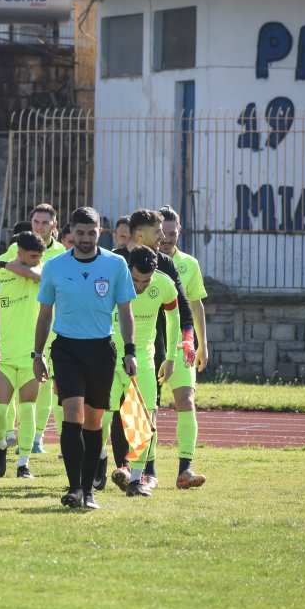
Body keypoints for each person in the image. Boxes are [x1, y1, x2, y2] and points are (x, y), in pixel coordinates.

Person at [33, 206, 136, 510]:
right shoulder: (54, 267)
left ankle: (88, 490)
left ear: (99, 233)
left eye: (92, 233)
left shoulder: (116, 264)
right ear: (70, 233)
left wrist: (129, 350)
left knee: (94, 423)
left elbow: (126, 312)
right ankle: (75, 487)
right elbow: (44, 314)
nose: (86, 238)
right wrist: (37, 354)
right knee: (72, 414)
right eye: (80, 233)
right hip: (66, 349)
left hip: (101, 350)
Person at [109, 208, 195, 492]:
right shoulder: (111, 262)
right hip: (111, 351)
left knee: (144, 413)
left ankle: (143, 473)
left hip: (151, 349)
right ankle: (110, 465)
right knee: (113, 412)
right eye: (157, 232)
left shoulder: (165, 266)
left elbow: (182, 308)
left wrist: (184, 342)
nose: (162, 237)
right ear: (139, 235)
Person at [101, 245, 183, 497]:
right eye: (136, 279)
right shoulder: (111, 280)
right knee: (101, 418)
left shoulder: (164, 285)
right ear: (128, 270)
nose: (140, 285)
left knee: (143, 420)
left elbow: (174, 320)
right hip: (108, 361)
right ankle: (98, 458)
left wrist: (170, 358)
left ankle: (136, 480)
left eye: (146, 280)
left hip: (143, 364)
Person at [0, 203, 68, 454]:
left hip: (51, 328)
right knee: (12, 387)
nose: (40, 226)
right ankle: (11, 434)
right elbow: (5, 269)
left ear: (54, 225)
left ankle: (37, 438)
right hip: (18, 330)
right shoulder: (17, 246)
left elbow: (36, 275)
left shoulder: (59, 253)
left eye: (45, 222)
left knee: (44, 387)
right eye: (36, 222)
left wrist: (4, 265)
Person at [0, 231, 44, 479]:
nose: (36, 260)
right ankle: (0, 445)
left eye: (39, 256)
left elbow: (36, 274)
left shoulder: (40, 270)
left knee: (27, 410)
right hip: (4, 355)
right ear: (20, 252)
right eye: (32, 256)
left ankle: (23, 464)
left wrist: (7, 264)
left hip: (31, 356)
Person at [157, 205, 208, 489]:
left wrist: (202, 345)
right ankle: (140, 469)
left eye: (172, 233)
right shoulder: (139, 262)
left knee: (186, 402)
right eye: (162, 233)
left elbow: (196, 305)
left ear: (180, 232)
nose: (166, 239)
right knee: (142, 408)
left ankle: (185, 469)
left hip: (181, 345)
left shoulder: (190, 264)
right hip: (148, 346)